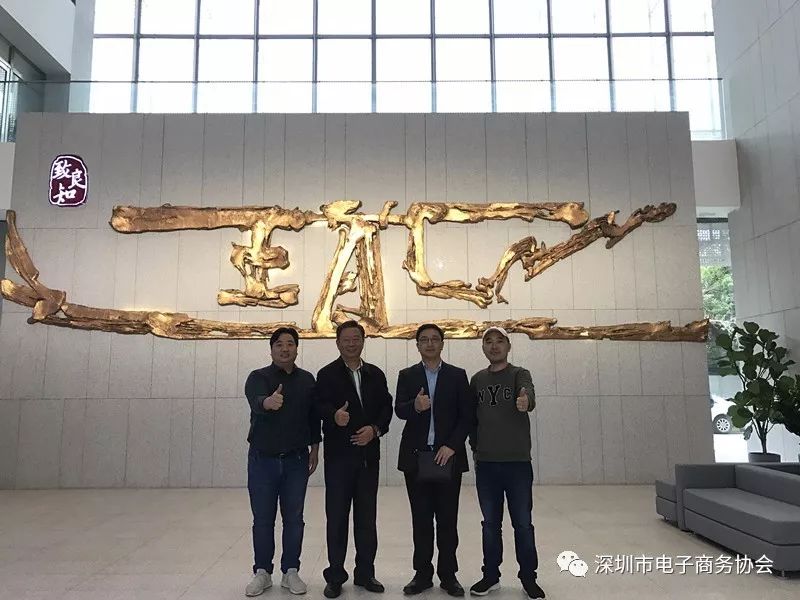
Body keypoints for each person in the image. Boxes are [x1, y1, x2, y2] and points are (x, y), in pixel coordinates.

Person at [395, 323, 473, 597]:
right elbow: (399, 410)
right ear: (417, 345)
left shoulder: (457, 375)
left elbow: (467, 416)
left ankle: (449, 575)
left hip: (447, 458)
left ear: (442, 343)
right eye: (424, 340)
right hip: (416, 459)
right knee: (421, 520)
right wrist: (414, 407)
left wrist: (452, 446)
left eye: (434, 339)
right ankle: (422, 575)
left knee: (448, 520)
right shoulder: (407, 375)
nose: (429, 344)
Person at [316, 320, 393, 598]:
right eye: (346, 339)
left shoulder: (375, 373)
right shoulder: (326, 374)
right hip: (339, 458)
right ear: (338, 343)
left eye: (356, 338)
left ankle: (365, 573)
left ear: (363, 341)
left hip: (368, 458)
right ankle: (335, 575)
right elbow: (317, 406)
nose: (351, 343)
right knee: (337, 519)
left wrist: (375, 429)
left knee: (366, 519)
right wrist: (333, 415)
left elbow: (386, 407)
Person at [468, 327, 545, 599]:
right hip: (487, 464)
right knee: (490, 524)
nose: (494, 346)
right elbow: (472, 419)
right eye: (488, 342)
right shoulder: (477, 380)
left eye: (499, 341)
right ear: (483, 348)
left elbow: (528, 394)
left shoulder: (519, 374)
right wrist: (475, 448)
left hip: (517, 464)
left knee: (522, 524)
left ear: (508, 346)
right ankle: (491, 576)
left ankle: (528, 578)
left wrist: (525, 401)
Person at [244, 327, 320, 597]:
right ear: (271, 349)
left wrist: (315, 448)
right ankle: (262, 572)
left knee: (294, 519)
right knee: (263, 519)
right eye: (279, 344)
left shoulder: (307, 380)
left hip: (296, 460)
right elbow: (256, 400)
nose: (285, 349)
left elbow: (313, 418)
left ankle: (291, 571)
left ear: (297, 348)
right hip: (262, 460)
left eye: (290, 344)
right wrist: (268, 402)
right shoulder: (258, 377)